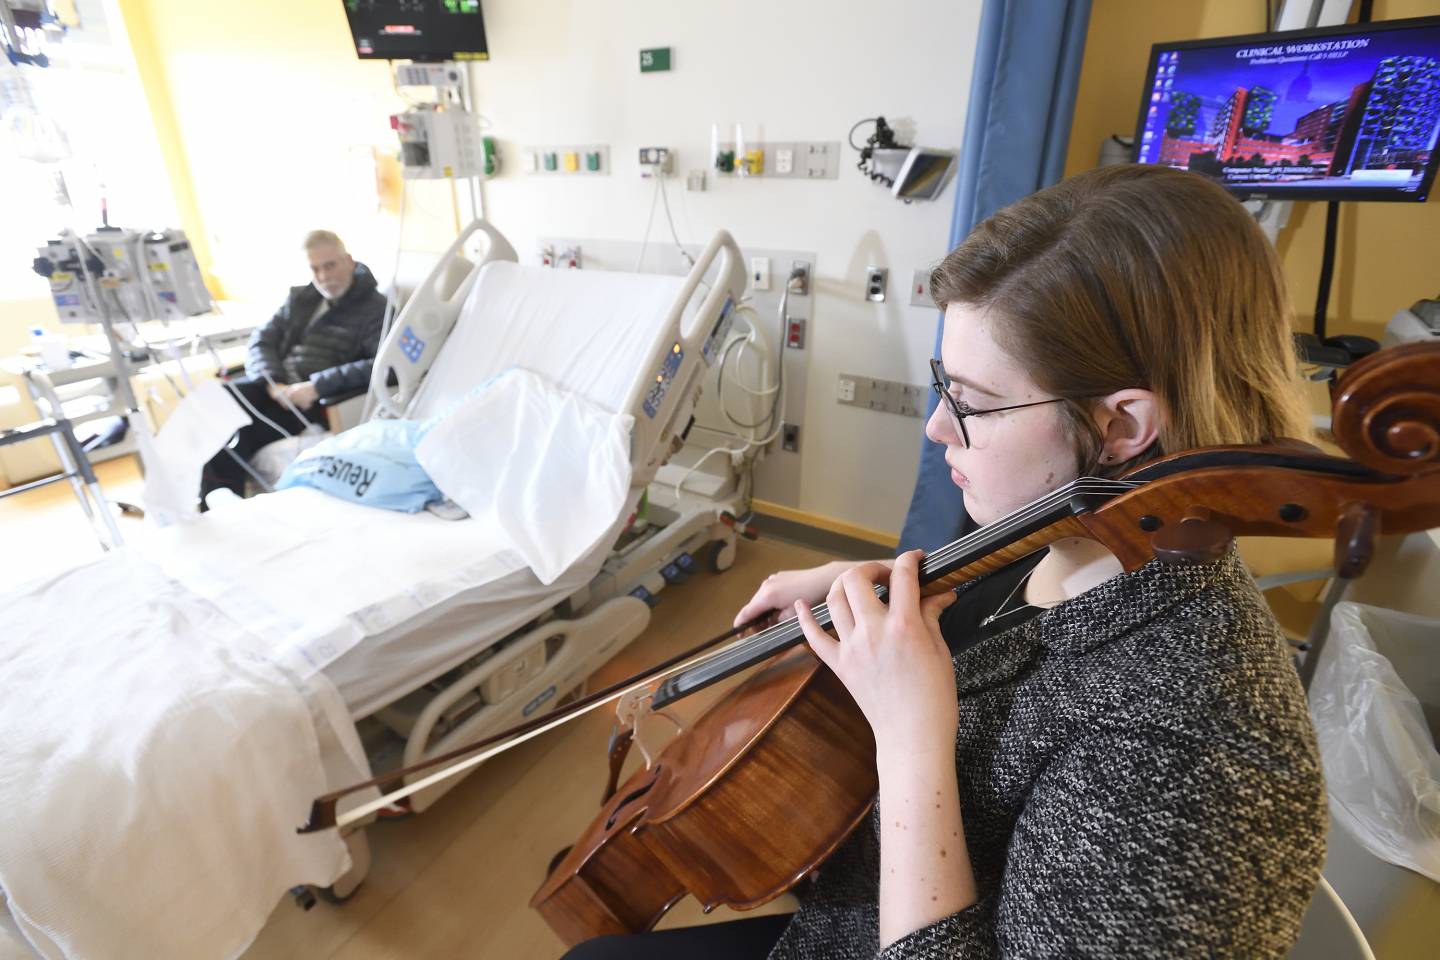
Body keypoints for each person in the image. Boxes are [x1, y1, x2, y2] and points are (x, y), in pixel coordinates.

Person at [561, 165, 1326, 959]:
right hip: (850, 908)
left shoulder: (1192, 753)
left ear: (1122, 425)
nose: (936, 428)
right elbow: (1003, 626)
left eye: (972, 402)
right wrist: (886, 586)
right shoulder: (1065, 526)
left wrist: (909, 734)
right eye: (942, 385)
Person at [200, 230, 388, 502]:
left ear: (348, 260)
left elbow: (381, 365)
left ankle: (223, 509)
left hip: (309, 402)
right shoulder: (302, 299)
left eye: (330, 265)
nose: (324, 276)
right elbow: (261, 341)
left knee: (238, 437)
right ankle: (207, 507)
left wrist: (317, 386)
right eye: (316, 269)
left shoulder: (375, 308)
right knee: (214, 405)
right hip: (274, 386)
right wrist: (273, 383)